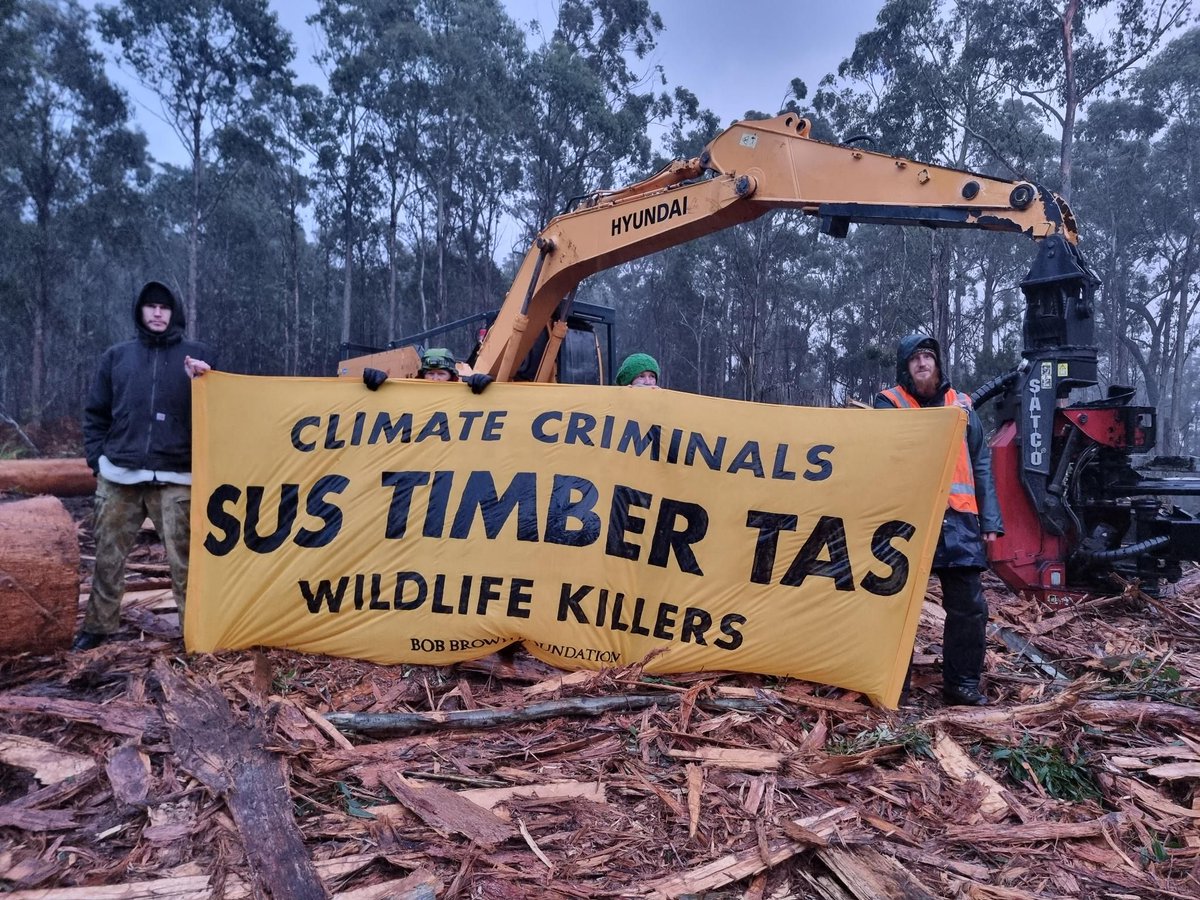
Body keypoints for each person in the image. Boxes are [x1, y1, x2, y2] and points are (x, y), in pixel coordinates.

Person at [73, 282, 214, 651]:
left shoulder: (198, 356)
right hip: (119, 474)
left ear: (175, 312)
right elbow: (95, 414)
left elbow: (222, 411)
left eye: (164, 308)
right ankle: (98, 628)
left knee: (186, 563)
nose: (157, 313)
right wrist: (97, 462)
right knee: (107, 557)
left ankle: (194, 633)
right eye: (150, 306)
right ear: (140, 310)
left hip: (177, 475)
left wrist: (208, 381)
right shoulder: (117, 357)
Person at [874, 334, 1003, 706]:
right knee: (893, 603)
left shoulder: (962, 406)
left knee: (969, 607)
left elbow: (981, 464)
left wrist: (990, 522)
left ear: (938, 364)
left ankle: (961, 684)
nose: (922, 363)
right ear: (904, 366)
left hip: (959, 521)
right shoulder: (889, 404)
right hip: (904, 520)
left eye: (928, 356)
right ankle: (893, 682)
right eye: (914, 358)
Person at [362, 347, 493, 393]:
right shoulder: (409, 393)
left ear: (452, 377)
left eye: (441, 374)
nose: (435, 378)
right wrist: (376, 387)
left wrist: (487, 388)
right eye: (430, 373)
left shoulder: (466, 392)